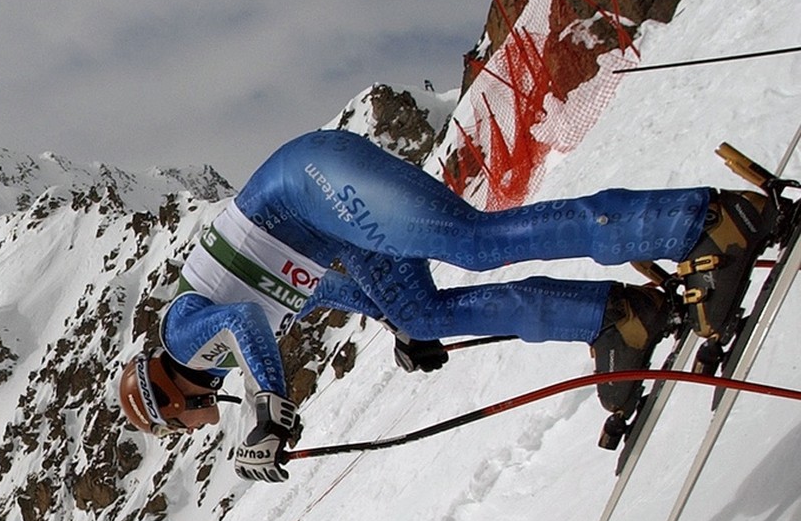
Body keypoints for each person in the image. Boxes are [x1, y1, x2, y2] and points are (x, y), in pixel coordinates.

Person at [118, 129, 774, 482]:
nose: (192, 429)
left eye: (174, 426)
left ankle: (701, 222)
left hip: (312, 184)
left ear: (168, 398)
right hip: (324, 213)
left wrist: (266, 408)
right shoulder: (215, 344)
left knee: (475, 242)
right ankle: (614, 319)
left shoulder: (183, 340)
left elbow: (244, 321)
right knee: (424, 312)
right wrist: (393, 318)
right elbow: (316, 291)